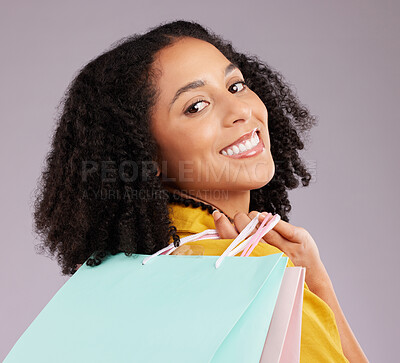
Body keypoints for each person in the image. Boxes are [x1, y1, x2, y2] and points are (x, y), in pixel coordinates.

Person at [33, 20, 368, 362]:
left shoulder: (119, 277)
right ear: (147, 154)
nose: (240, 111)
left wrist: (316, 283)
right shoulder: (255, 273)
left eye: (235, 86)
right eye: (196, 106)